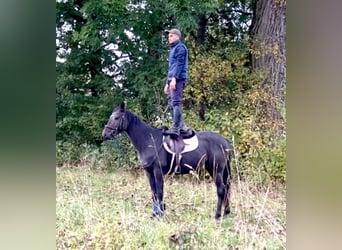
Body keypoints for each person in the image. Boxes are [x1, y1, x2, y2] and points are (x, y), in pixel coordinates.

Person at [162, 28, 189, 137]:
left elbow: (179, 64)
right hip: (172, 79)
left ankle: (176, 129)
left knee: (176, 103)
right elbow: (171, 67)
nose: (169, 38)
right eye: (169, 36)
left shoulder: (180, 48)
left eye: (171, 36)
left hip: (178, 79)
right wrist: (167, 83)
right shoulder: (173, 49)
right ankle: (182, 127)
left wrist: (174, 79)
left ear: (178, 36)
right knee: (171, 103)